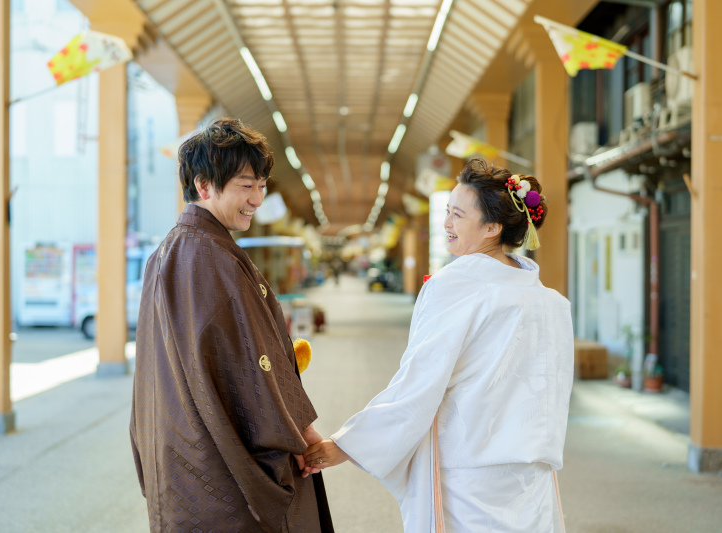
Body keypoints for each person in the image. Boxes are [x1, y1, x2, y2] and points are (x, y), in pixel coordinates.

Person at [304, 158, 574, 532]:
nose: (446, 224)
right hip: (531, 477)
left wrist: (346, 445)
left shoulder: (453, 286)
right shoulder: (553, 304)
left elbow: (417, 385)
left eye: (458, 215)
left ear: (492, 227)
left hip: (467, 476)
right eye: (447, 212)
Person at [130, 117, 334, 533]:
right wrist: (303, 433)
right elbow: (255, 363)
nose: (257, 198)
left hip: (176, 446)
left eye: (261, 185)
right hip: (221, 462)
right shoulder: (216, 259)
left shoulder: (165, 253)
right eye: (246, 185)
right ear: (204, 186)